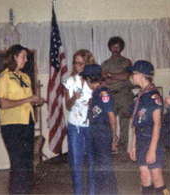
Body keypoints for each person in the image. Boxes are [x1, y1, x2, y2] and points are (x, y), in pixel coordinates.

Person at [0, 44, 46, 194]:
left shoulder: (25, 77)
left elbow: (26, 99)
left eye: (26, 57)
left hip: (26, 122)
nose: (26, 59)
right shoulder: (4, 77)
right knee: (18, 164)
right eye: (23, 56)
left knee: (27, 163)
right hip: (12, 125)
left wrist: (36, 101)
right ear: (14, 57)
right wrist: (27, 99)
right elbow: (4, 103)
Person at [129, 60, 170, 195]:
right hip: (141, 139)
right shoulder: (137, 97)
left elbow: (157, 124)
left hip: (152, 139)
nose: (131, 76)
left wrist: (152, 149)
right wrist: (133, 146)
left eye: (133, 73)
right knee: (144, 176)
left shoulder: (153, 96)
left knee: (157, 178)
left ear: (141, 75)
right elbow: (135, 123)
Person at [80, 64, 118, 195]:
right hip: (95, 134)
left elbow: (111, 115)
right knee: (99, 169)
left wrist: (114, 136)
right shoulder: (96, 94)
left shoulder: (103, 93)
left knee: (105, 168)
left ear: (90, 79)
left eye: (86, 80)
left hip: (102, 133)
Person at [62, 49, 96, 195]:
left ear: (88, 64)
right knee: (76, 163)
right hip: (75, 125)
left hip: (91, 126)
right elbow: (68, 106)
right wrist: (74, 98)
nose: (77, 67)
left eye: (81, 64)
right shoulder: (70, 81)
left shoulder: (94, 81)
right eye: (75, 63)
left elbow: (101, 102)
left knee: (92, 163)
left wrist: (92, 103)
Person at [101, 36, 134, 152]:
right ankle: (111, 147)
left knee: (124, 123)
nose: (115, 49)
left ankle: (123, 150)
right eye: (113, 47)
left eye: (117, 47)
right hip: (110, 96)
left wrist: (110, 76)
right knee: (109, 123)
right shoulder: (105, 64)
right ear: (110, 48)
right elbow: (104, 80)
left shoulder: (127, 62)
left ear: (121, 48)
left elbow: (125, 76)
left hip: (124, 96)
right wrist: (117, 77)